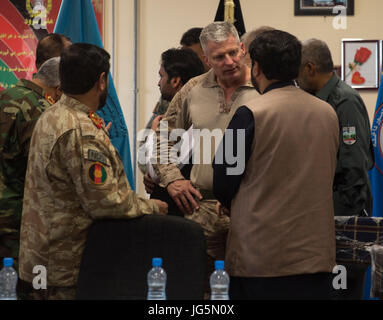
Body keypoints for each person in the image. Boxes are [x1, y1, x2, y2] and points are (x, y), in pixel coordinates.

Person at [18, 43, 168, 300]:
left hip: (42, 258)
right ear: (101, 81)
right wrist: (153, 207)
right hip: (67, 269)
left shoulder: (52, 115)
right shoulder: (81, 130)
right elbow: (106, 202)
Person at [213, 30, 339, 300]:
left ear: (256, 67)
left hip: (260, 259)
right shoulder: (328, 113)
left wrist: (226, 201)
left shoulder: (249, 115)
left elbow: (223, 177)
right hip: (316, 259)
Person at [152, 21, 259, 296]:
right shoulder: (192, 89)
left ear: (243, 48)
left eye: (234, 52)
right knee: (203, 291)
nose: (230, 62)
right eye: (219, 57)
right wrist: (172, 178)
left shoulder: (262, 86)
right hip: (202, 211)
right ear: (206, 59)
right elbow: (164, 136)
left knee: (249, 289)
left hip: (251, 210)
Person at [297, 38, 375, 300]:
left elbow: (354, 168)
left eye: (297, 72)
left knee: (342, 291)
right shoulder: (321, 99)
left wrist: (339, 225)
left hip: (344, 217)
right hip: (327, 216)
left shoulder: (344, 101)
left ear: (309, 68)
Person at [0, 57, 62, 271]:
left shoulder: (5, 95)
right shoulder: (43, 110)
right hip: (18, 220)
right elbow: (46, 172)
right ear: (59, 89)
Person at [140, 48, 205, 216]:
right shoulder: (165, 112)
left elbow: (162, 169)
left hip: (184, 210)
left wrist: (155, 136)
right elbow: (150, 169)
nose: (158, 83)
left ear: (175, 81)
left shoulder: (194, 118)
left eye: (162, 76)